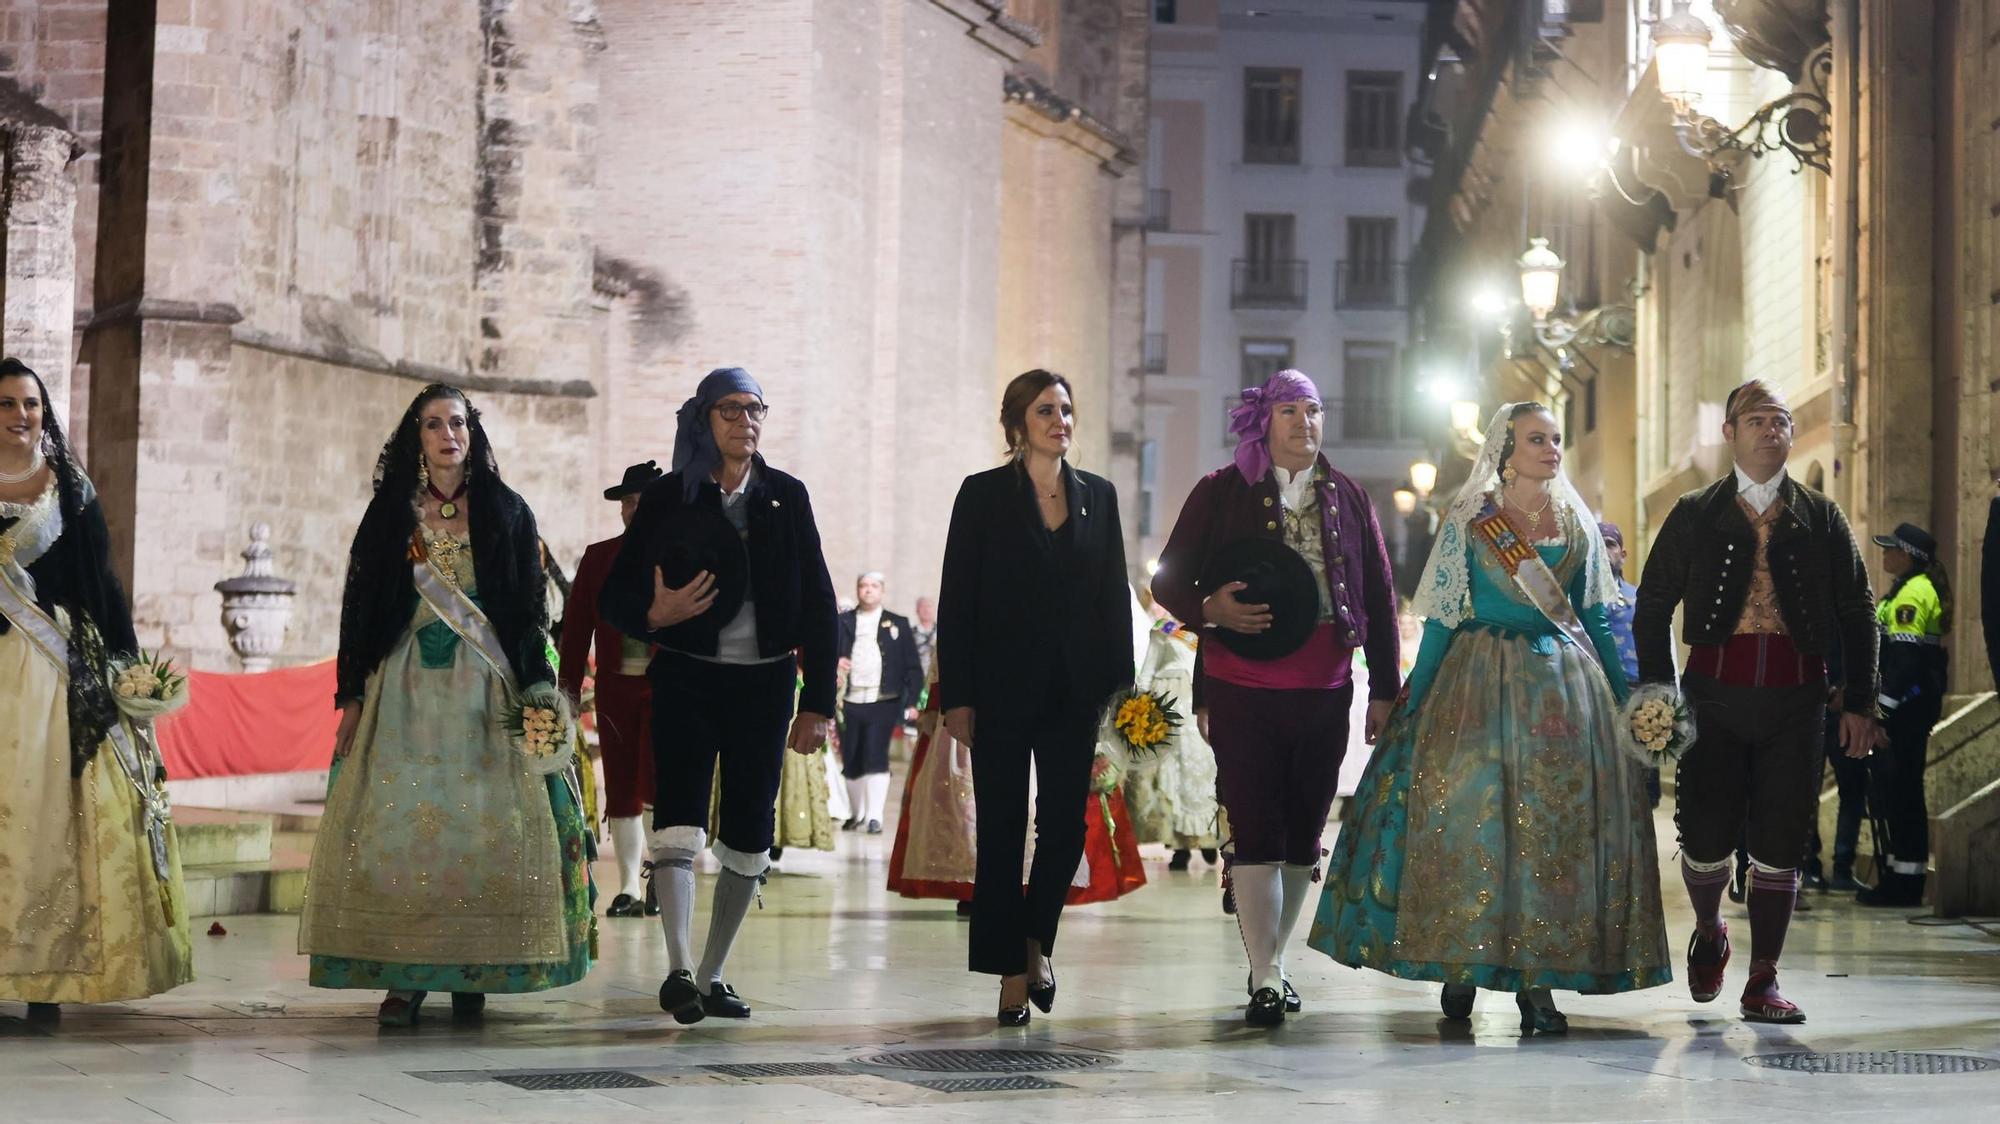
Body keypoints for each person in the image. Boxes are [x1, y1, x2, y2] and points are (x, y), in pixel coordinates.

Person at [1310, 402, 1668, 1034]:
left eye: (1556, 438)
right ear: (1506, 450)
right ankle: (1460, 961)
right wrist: (1411, 699)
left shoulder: (1577, 525)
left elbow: (1596, 624)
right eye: (1537, 439)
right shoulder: (1472, 522)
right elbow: (1445, 617)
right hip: (1474, 686)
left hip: (1562, 692)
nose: (1551, 448)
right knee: (1468, 823)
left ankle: (1539, 980)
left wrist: (1624, 698)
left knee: (1551, 837)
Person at [299, 384, 594, 1027]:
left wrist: (537, 692)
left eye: (457, 422)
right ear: (417, 437)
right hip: (401, 693)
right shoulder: (389, 515)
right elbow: (359, 607)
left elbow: (528, 610)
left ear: (472, 432)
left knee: (481, 826)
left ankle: (475, 967)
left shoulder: (507, 511)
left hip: (485, 695)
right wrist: (350, 697)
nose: (446, 434)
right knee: (403, 829)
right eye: (433, 424)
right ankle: (404, 979)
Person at [1153, 368, 1401, 1026]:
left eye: (1314, 410)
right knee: (1255, 829)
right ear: (1263, 420)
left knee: (1303, 835)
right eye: (1290, 410)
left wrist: (1385, 690)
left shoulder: (1349, 496)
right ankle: (1266, 972)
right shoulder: (1221, 491)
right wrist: (1208, 609)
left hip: (1327, 691)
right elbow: (1169, 578)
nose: (1305, 423)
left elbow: (1377, 594)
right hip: (1242, 687)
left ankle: (1275, 959)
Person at [1634, 379, 1879, 1025]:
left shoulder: (1822, 516)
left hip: (1798, 700)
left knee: (1783, 836)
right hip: (1712, 695)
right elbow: (1653, 604)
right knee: (1706, 831)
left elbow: (1859, 610)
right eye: (1758, 420)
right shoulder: (1695, 511)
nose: (1772, 429)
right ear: (1731, 432)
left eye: (1782, 420)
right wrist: (1660, 698)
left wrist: (1860, 702)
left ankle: (1764, 976)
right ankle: (1711, 928)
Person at [599, 366, 837, 1025]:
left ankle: (712, 974)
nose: (745, 421)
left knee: (750, 828)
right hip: (686, 675)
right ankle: (676, 969)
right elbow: (614, 598)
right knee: (677, 817)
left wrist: (818, 702)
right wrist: (658, 609)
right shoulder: (670, 497)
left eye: (756, 408)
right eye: (731, 410)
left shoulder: (788, 496)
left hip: (764, 682)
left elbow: (819, 602)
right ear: (705, 418)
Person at [939, 368, 1133, 1026]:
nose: (1061, 420)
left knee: (1064, 831)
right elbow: (957, 600)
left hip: (1075, 694)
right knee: (1000, 832)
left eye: (1067, 409)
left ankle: (1036, 939)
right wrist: (956, 696)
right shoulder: (983, 495)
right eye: (1046, 409)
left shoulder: (1098, 498)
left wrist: (1121, 712)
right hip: (998, 690)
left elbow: (1113, 603)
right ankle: (1010, 973)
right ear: (1018, 422)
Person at [0, 358, 192, 1022]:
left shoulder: (69, 489)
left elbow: (102, 587)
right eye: (6, 404)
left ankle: (47, 981)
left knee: (49, 821)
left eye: (30, 404)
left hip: (55, 680)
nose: (20, 415)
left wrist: (127, 667)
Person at [560, 460, 665, 918]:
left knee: (662, 785)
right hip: (616, 689)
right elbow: (577, 627)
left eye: (642, 503)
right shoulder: (599, 557)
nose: (632, 510)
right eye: (626, 503)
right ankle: (628, 887)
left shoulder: (683, 554)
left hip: (670, 689)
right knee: (621, 784)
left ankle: (664, 877)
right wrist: (566, 689)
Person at [1857, 522, 1951, 908]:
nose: (1885, 554)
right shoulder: (1902, 590)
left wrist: (1881, 715)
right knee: (1895, 794)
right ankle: (1897, 876)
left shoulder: (1915, 592)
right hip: (1905, 707)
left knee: (1905, 793)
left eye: (1891, 549)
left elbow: (1905, 662)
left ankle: (1906, 884)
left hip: (1908, 709)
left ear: (1909, 555)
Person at [1124, 604, 1220, 871]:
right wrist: (1137, 705)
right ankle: (1179, 847)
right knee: (1171, 775)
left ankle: (1207, 839)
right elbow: (1148, 669)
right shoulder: (1163, 630)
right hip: (1166, 703)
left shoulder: (1209, 630)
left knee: (1201, 772)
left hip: (1198, 704)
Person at [837, 571, 924, 833]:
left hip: (883, 699)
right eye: (863, 586)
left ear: (882, 591)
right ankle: (855, 813)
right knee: (851, 756)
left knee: (876, 755)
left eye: (874, 586)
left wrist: (912, 703)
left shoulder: (897, 622)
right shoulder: (843, 621)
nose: (868, 590)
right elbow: (828, 650)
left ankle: (875, 816)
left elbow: (913, 668)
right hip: (849, 700)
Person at [1599, 520, 1656, 807]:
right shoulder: (1575, 602)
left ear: (1623, 553)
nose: (1602, 551)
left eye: (1609, 544)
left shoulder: (1640, 599)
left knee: (1642, 790)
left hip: (1637, 698)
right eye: (1596, 545)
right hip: (1597, 699)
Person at [913, 595, 938, 679]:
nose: (926, 610)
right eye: (922, 606)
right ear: (917, 610)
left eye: (929, 606)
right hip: (918, 679)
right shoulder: (910, 633)